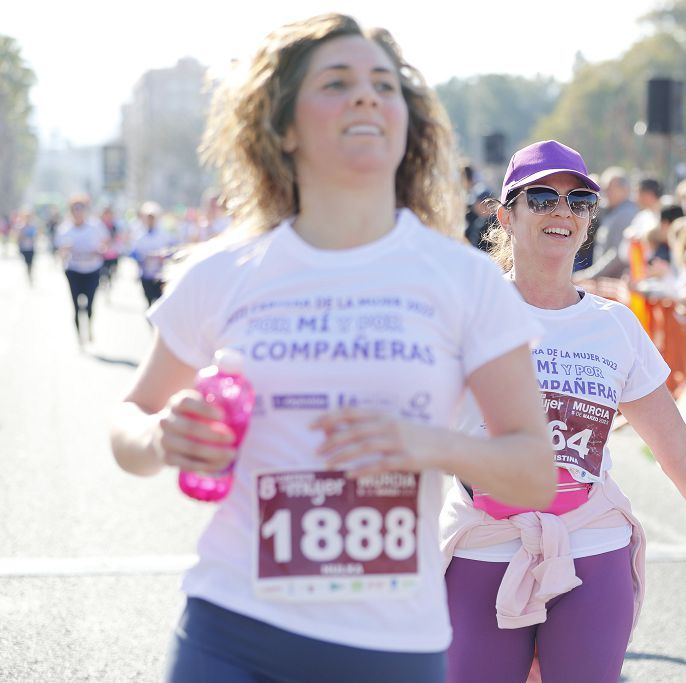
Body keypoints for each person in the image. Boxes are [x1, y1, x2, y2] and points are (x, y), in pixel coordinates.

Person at [108, 14, 555, 683]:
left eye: (383, 84)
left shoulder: (463, 279)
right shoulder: (222, 272)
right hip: (231, 630)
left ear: (408, 122)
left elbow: (533, 471)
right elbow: (129, 422)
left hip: (392, 649)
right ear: (283, 127)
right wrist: (160, 438)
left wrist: (428, 444)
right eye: (337, 82)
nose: (366, 96)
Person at [440, 140, 686, 683]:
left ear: (589, 220)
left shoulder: (614, 326)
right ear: (507, 215)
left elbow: (675, 447)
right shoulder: (462, 313)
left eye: (578, 200)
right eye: (541, 198)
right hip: (484, 547)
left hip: (591, 545)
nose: (562, 211)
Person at [54, 195, 109, 345]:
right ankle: (79, 336)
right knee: (76, 304)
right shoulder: (64, 229)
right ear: (71, 211)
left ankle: (89, 327)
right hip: (73, 270)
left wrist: (99, 250)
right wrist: (65, 250)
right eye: (74, 209)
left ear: (85, 210)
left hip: (92, 270)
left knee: (90, 304)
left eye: (81, 208)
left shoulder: (96, 226)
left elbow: (105, 244)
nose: (78, 212)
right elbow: (59, 252)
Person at [574, 167, 638, 280]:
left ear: (624, 189)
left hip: (614, 286)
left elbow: (616, 254)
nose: (605, 193)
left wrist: (589, 275)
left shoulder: (626, 214)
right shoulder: (615, 210)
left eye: (609, 189)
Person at [129, 201, 177, 307]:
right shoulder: (139, 236)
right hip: (146, 275)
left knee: (160, 303)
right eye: (148, 217)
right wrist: (143, 257)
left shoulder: (164, 235)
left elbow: (173, 251)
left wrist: (163, 256)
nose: (150, 220)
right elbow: (132, 253)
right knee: (149, 301)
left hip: (161, 275)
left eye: (152, 217)